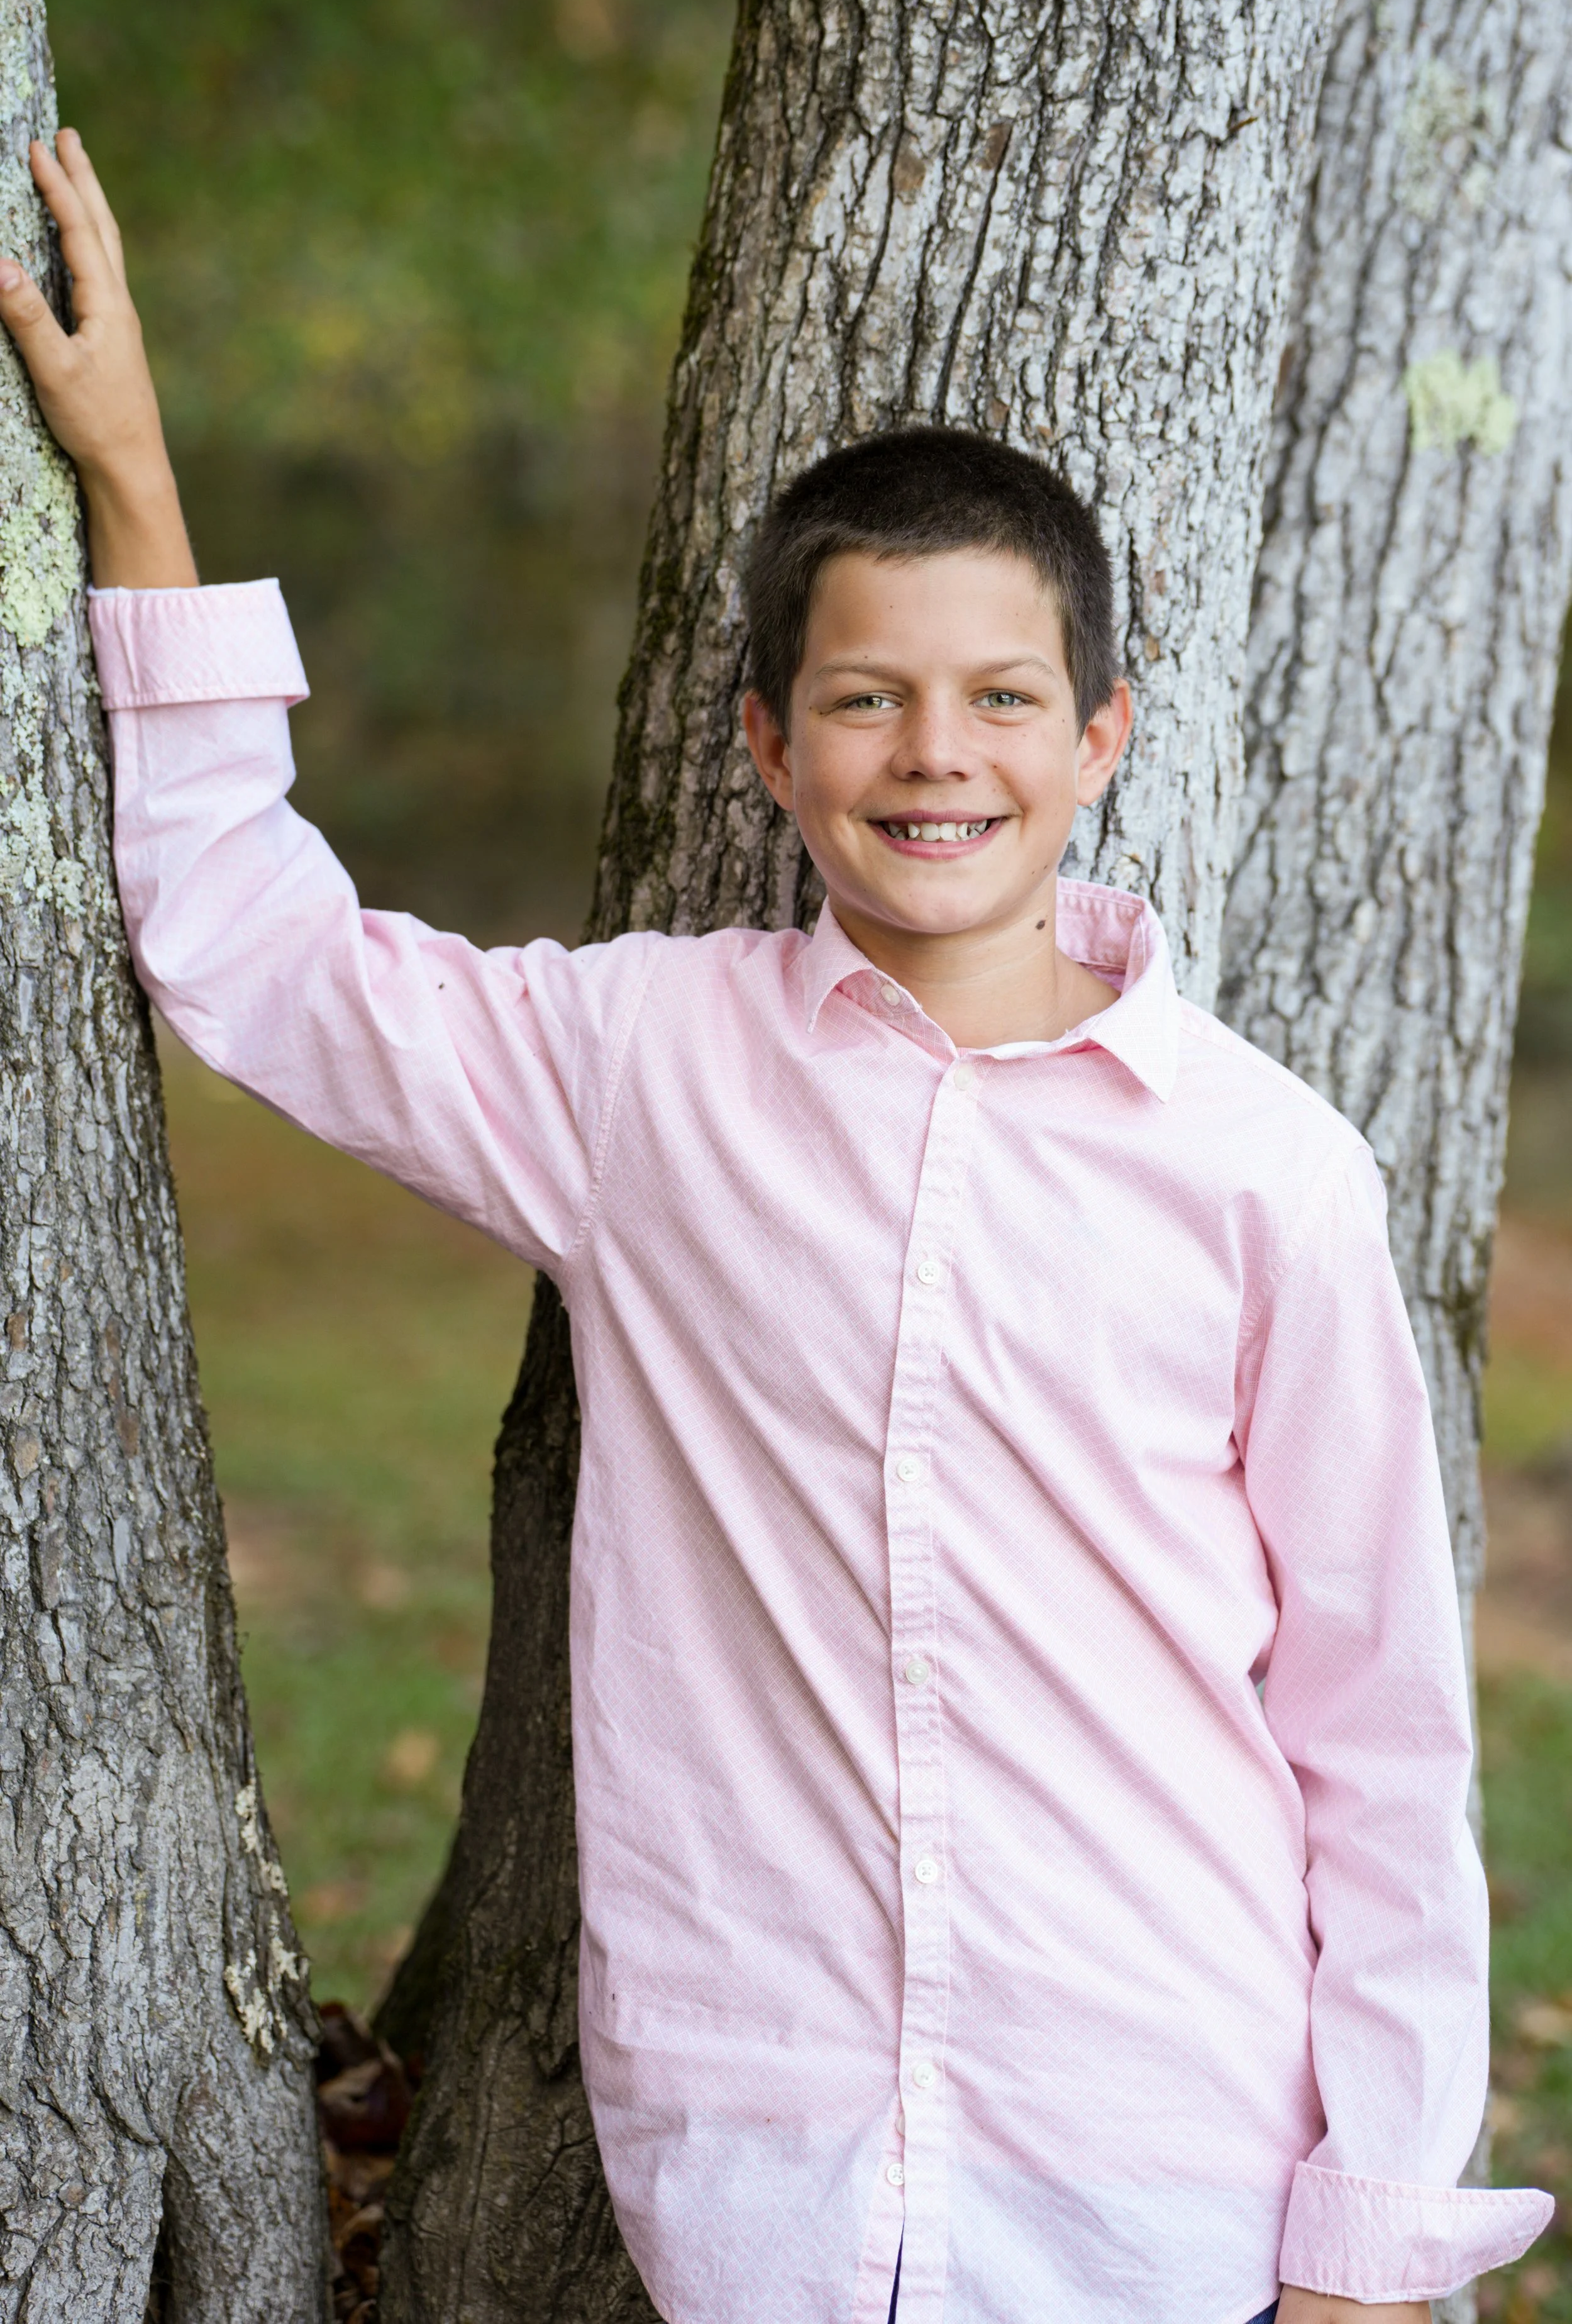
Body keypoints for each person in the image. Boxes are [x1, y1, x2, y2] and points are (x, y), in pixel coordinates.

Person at [0, 130, 1551, 2324]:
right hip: (766, 2177)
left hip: (1161, 2176)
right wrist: (137, 485)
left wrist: (1379, 2231)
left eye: (1003, 696)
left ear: (1097, 735)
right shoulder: (645, 1072)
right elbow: (258, 951)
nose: (938, 754)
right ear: (763, 737)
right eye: (863, 694)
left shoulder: (1258, 1165)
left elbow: (1374, 1719)